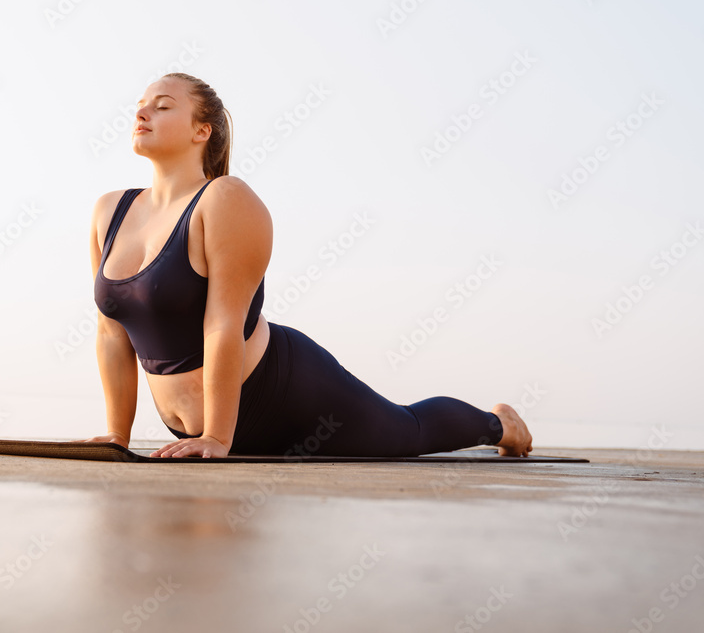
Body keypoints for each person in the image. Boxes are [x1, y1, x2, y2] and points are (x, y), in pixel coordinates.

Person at [82, 72, 533, 459]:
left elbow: (223, 323)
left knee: (407, 431)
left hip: (285, 394)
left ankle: (498, 425)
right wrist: (117, 436)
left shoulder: (224, 199)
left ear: (202, 131)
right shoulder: (110, 212)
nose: (142, 114)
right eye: (140, 106)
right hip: (192, 432)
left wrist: (218, 436)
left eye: (161, 107)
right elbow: (111, 334)